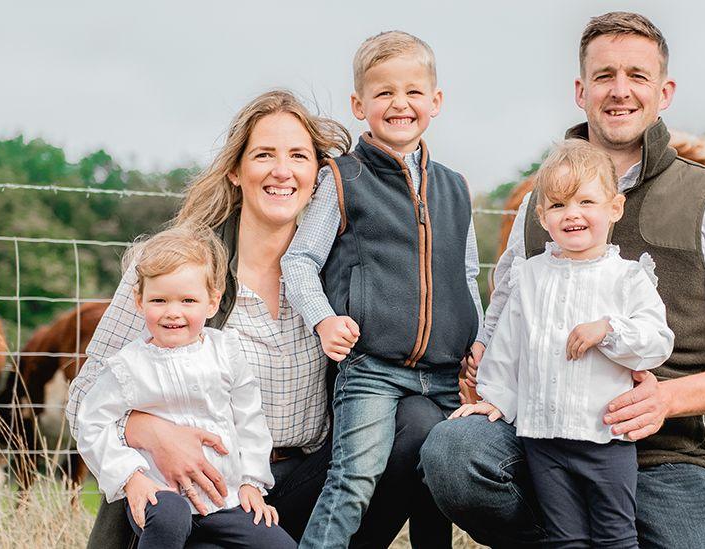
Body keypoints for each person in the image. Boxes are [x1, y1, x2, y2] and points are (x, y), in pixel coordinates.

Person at [420, 11, 705, 548]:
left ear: (664, 92)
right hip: (543, 435)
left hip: (662, 455)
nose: (620, 90)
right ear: (581, 91)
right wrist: (483, 366)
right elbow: (502, 315)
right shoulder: (537, 207)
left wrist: (667, 400)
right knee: (454, 453)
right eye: (604, 76)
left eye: (637, 75)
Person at [66, 89, 450, 548]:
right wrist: (153, 432)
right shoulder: (177, 272)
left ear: (319, 176)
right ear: (235, 170)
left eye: (298, 156)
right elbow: (85, 398)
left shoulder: (341, 271)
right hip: (206, 488)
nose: (281, 171)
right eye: (264, 154)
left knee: (416, 420)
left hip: (307, 480)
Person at [282, 30, 483, 547]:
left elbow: (466, 276)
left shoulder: (455, 187)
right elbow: (299, 260)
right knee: (353, 480)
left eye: (414, 91)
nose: (400, 103)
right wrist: (323, 319)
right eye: (384, 92)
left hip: (444, 371)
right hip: (372, 367)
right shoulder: (342, 179)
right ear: (359, 105)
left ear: (436, 101)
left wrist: (478, 340)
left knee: (435, 489)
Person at [450, 139, 674, 548]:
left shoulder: (628, 278)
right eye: (558, 205)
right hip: (544, 439)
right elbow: (508, 347)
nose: (572, 213)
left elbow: (657, 342)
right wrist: (496, 398)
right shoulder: (530, 276)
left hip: (605, 437)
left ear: (615, 208)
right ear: (542, 216)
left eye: (586, 201)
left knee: (615, 536)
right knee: (565, 537)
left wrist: (608, 330)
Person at [75, 225, 295, 548]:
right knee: (170, 515)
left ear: (212, 302)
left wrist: (251, 483)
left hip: (226, 500)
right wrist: (131, 478)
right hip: (159, 496)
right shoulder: (127, 366)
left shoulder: (226, 352)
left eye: (188, 300)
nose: (173, 313)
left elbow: (250, 420)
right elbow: (91, 424)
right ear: (139, 301)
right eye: (159, 300)